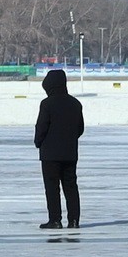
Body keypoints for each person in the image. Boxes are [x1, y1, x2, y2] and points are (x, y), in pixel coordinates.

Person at [34, 68, 84, 229]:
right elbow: (80, 128)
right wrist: (69, 139)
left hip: (50, 154)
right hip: (70, 153)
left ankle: (55, 220)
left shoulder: (47, 104)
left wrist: (38, 142)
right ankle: (74, 220)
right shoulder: (75, 103)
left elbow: (42, 126)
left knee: (52, 187)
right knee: (71, 187)